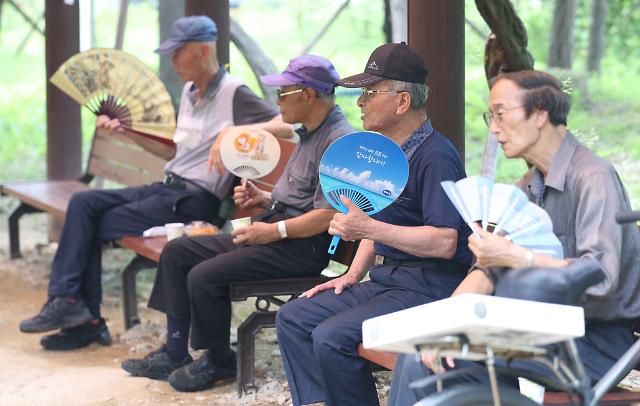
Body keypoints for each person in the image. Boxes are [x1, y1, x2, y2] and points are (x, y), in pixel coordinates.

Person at [19, 15, 292, 351]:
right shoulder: (191, 92)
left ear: (204, 51)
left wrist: (236, 131)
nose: (172, 61)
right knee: (83, 204)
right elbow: (173, 152)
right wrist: (127, 132)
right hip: (167, 188)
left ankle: (82, 316)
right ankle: (72, 306)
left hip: (193, 201)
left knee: (86, 219)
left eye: (178, 53)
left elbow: (287, 124)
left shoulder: (234, 92)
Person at [388, 70, 640, 404]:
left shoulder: (594, 178)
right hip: (544, 326)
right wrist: (442, 324)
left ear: (539, 115)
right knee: (425, 349)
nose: (493, 128)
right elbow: (487, 269)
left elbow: (602, 280)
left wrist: (519, 259)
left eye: (501, 114)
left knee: (450, 357)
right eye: (490, 117)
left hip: (592, 340)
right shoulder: (528, 185)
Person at [120, 54, 354, 392]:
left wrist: (271, 230)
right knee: (178, 252)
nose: (277, 103)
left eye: (283, 94)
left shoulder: (338, 141)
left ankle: (219, 362)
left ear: (308, 95)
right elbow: (299, 199)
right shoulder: (309, 132)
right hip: (278, 231)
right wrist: (265, 200)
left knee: (204, 275)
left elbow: (327, 215)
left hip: (302, 247)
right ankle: (174, 351)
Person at [275, 42, 473, 406]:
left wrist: (367, 229)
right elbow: (373, 219)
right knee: (294, 317)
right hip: (387, 281)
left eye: (370, 92)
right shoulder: (383, 153)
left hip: (428, 288)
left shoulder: (437, 157)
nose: (359, 102)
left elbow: (444, 241)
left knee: (331, 336)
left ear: (401, 102)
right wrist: (352, 274)